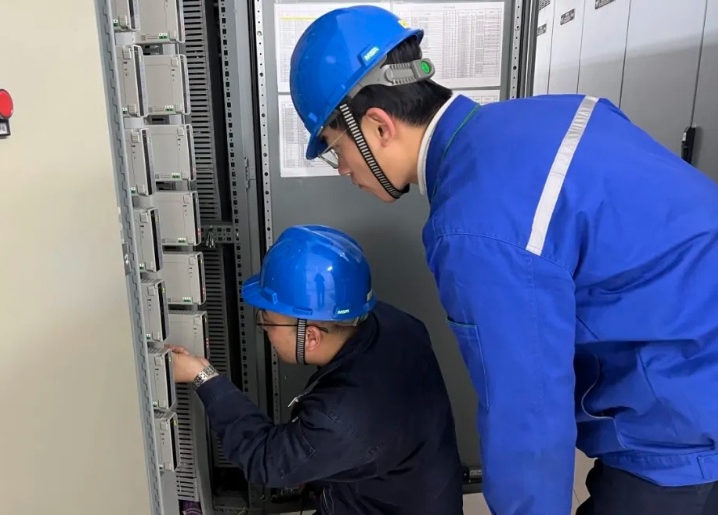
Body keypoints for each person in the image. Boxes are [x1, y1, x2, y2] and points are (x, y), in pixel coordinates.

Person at [287, 5, 718, 515]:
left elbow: (527, 416)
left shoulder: (473, 226)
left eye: (334, 148)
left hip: (682, 422)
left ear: (377, 126)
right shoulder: (553, 114)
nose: (342, 169)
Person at [169, 224, 464, 515]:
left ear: (310, 336)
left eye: (267, 321)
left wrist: (203, 376)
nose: (264, 329)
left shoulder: (342, 417)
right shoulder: (395, 324)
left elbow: (265, 459)